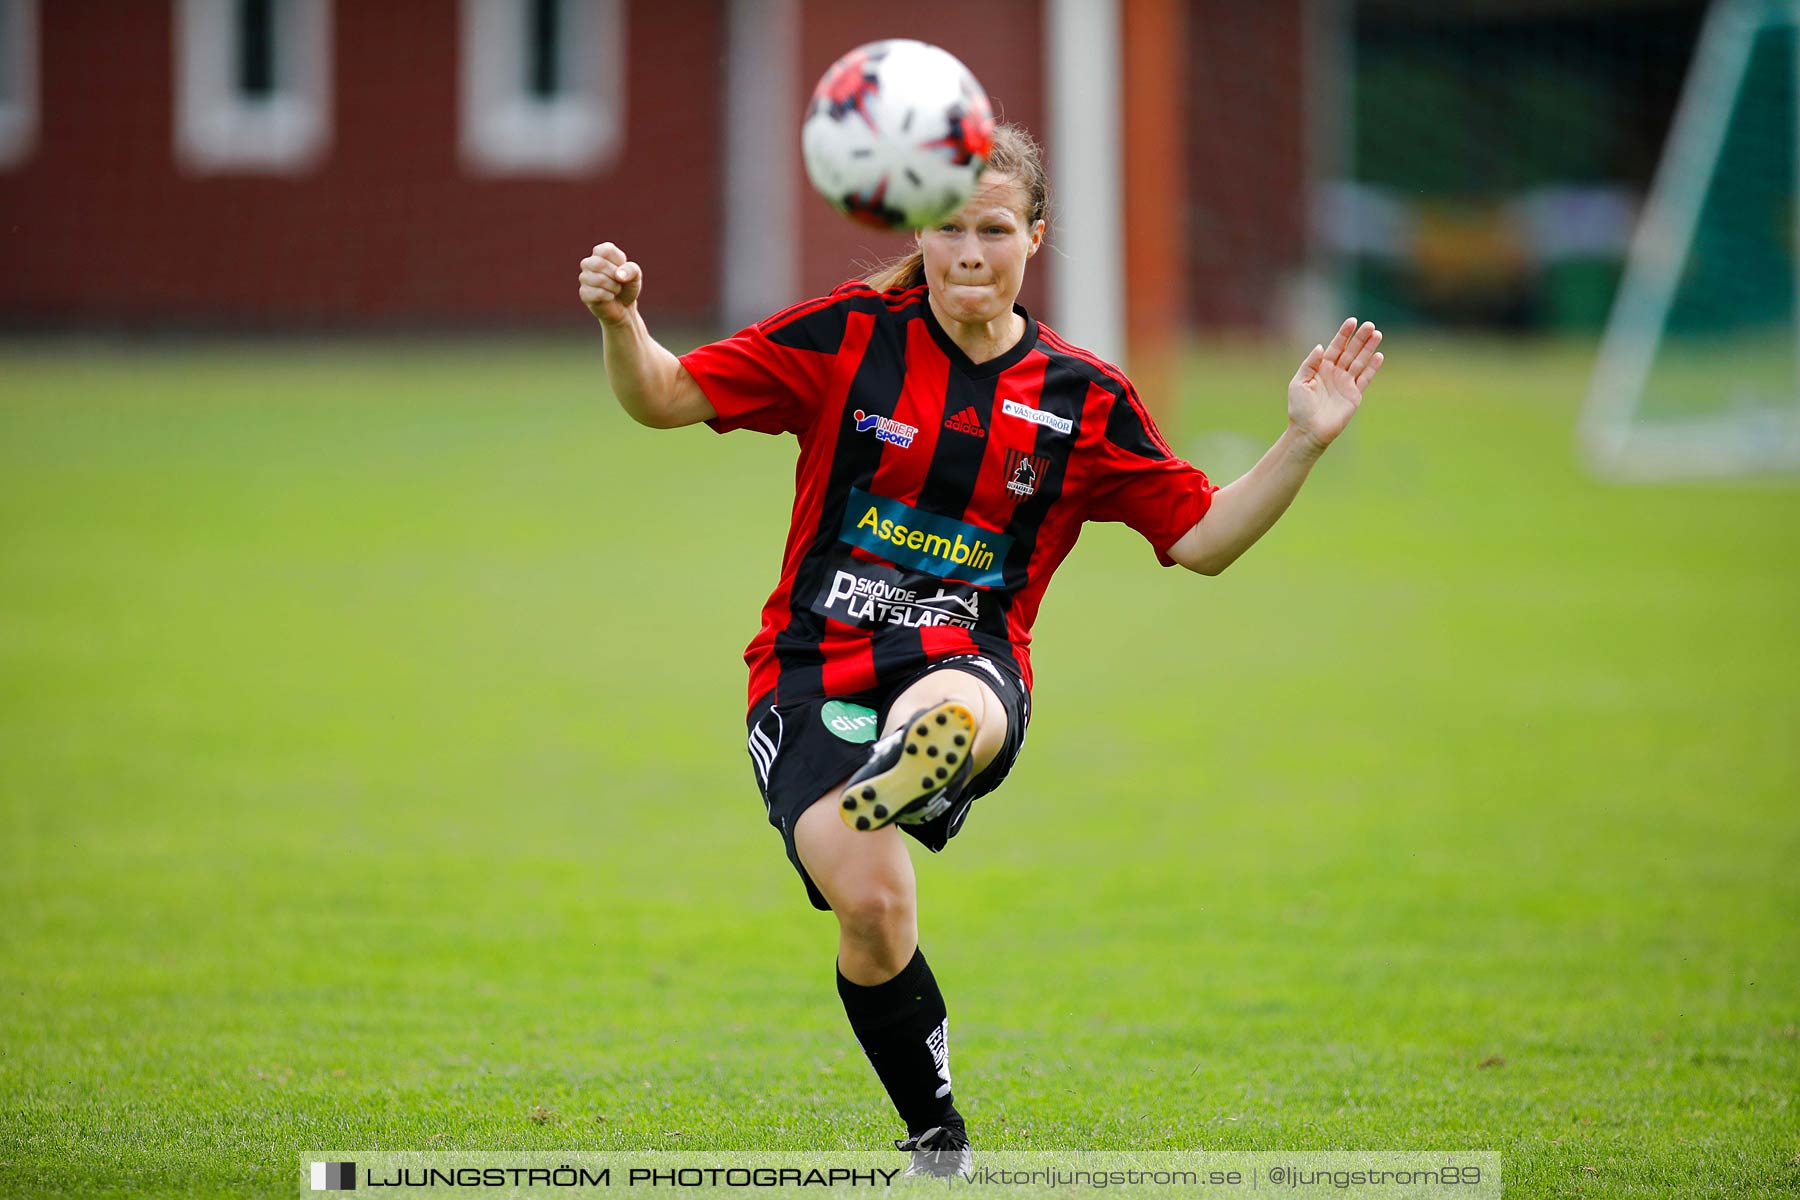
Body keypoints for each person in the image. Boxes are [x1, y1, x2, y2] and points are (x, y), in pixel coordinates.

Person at [578, 124, 1383, 1177]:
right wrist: (623, 322)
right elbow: (667, 395)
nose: (969, 250)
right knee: (871, 907)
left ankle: (922, 752)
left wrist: (1303, 441)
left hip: (969, 659)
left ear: (1033, 238)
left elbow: (1202, 539)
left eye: (994, 229)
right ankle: (936, 1138)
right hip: (811, 669)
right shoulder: (850, 337)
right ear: (923, 232)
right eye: (950, 227)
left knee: (960, 694)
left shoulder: (1083, 397)